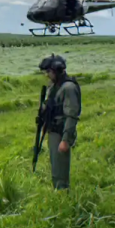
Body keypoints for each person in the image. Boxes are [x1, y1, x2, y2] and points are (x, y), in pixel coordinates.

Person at [39, 54, 81, 190]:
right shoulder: (54, 86)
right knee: (55, 165)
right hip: (53, 130)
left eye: (48, 72)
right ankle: (58, 191)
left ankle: (63, 195)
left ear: (56, 70)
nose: (47, 75)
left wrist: (66, 139)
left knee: (60, 169)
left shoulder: (68, 87)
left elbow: (71, 115)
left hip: (61, 131)